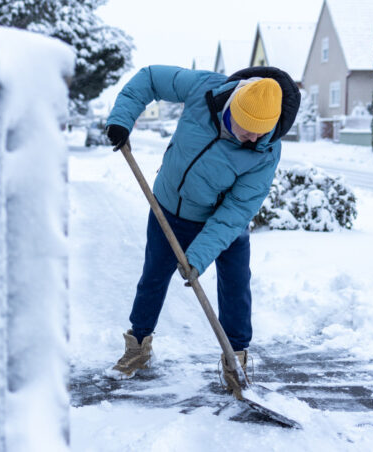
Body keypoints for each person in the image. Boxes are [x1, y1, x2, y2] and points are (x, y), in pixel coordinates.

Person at [103, 65, 299, 398]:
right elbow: (149, 79)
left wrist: (199, 256)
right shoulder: (205, 88)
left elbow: (237, 210)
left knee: (236, 287)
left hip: (222, 221)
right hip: (168, 207)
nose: (253, 139)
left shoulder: (266, 150)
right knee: (153, 277)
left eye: (260, 133)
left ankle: (235, 360)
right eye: (247, 129)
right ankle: (138, 347)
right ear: (232, 107)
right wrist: (122, 118)